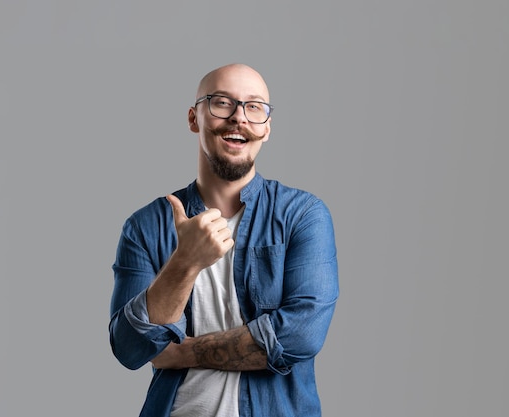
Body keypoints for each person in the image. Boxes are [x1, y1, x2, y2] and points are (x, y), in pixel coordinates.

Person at [109, 63, 339, 417]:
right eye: (222, 103)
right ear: (193, 118)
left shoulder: (303, 216)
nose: (239, 118)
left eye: (254, 107)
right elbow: (129, 348)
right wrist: (184, 263)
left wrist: (182, 352)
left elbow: (300, 336)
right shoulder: (146, 226)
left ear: (267, 128)